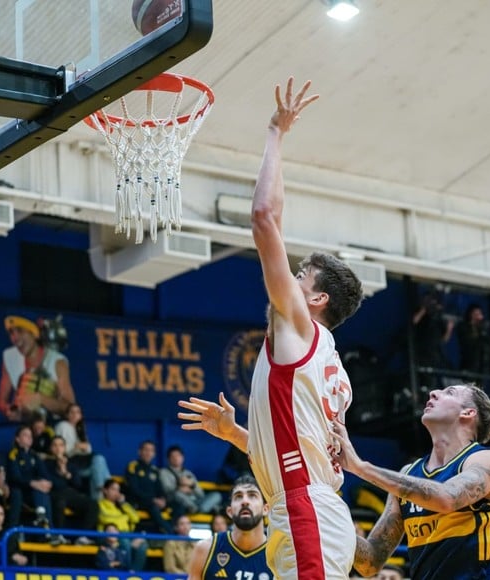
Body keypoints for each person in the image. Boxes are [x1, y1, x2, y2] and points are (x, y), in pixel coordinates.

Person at [179, 77, 364, 580]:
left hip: (305, 510)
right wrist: (238, 434)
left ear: (317, 300)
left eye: (302, 275)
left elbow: (264, 219)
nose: (290, 278)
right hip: (303, 506)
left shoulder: (299, 329)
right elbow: (297, 449)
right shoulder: (325, 360)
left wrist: (275, 133)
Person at [331, 383, 490, 579]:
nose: (433, 393)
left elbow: (447, 498)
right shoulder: (409, 473)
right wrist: (328, 518)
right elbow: (370, 563)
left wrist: (361, 468)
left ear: (468, 413)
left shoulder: (489, 460)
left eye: (449, 392)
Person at [187, 474, 272, 580]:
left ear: (265, 509)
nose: (245, 501)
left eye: (252, 495)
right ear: (229, 511)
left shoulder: (278, 556)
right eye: (238, 496)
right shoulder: (205, 549)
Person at [0, 315, 76, 423]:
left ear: (34, 333)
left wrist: (41, 399)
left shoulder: (57, 362)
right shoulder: (10, 357)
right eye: (11, 332)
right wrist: (9, 410)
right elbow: (1, 402)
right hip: (24, 426)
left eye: (20, 331)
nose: (14, 338)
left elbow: (71, 408)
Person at [54, 403, 111, 498]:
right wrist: (76, 448)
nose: (74, 415)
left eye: (77, 412)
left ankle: (101, 497)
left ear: (81, 415)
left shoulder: (80, 428)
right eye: (72, 412)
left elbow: (88, 450)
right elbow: (60, 450)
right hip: (70, 463)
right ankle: (107, 493)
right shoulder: (63, 426)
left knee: (98, 464)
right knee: (99, 460)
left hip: (83, 462)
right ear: (67, 415)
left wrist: (84, 447)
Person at [45, 435, 98, 535]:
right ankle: (58, 535)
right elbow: (52, 484)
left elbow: (78, 484)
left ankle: (83, 536)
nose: (58, 448)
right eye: (55, 445)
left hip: (70, 494)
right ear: (51, 448)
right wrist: (59, 470)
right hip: (55, 494)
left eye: (61, 445)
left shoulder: (71, 463)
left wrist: (65, 473)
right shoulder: (46, 464)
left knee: (93, 505)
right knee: (60, 502)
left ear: (64, 448)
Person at [5, 424, 53, 529]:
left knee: (43, 491)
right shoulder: (13, 454)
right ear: (17, 439)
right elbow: (15, 477)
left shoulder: (35, 455)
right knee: (19, 492)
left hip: (33, 492)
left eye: (30, 435)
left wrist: (45, 483)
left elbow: (45, 474)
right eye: (25, 435)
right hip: (19, 490)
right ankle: (13, 529)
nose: (29, 438)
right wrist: (33, 483)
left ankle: (48, 528)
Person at [126, 440, 177, 534]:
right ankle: (171, 533)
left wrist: (163, 499)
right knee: (153, 508)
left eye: (151, 450)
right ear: (139, 452)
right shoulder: (133, 466)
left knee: (176, 505)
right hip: (139, 501)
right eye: (146, 450)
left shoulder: (154, 470)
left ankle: (178, 529)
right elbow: (133, 489)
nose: (148, 453)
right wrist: (153, 499)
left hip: (154, 502)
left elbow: (160, 489)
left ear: (154, 454)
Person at [98, 478, 148, 571]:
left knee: (142, 545)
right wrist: (123, 519)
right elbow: (106, 519)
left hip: (127, 534)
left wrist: (123, 503)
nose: (116, 493)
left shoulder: (122, 506)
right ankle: (125, 572)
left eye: (118, 490)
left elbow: (135, 518)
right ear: (105, 491)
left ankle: (133, 573)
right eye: (113, 489)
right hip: (110, 535)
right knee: (125, 542)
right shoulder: (100, 504)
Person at [159, 444, 222, 515]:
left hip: (195, 501)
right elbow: (167, 492)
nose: (176, 458)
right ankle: (207, 509)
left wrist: (192, 485)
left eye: (178, 456)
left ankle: (200, 510)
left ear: (183, 457)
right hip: (178, 501)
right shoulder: (164, 472)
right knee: (178, 494)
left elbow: (201, 494)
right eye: (173, 456)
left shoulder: (188, 473)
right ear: (168, 459)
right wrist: (180, 489)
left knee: (217, 495)